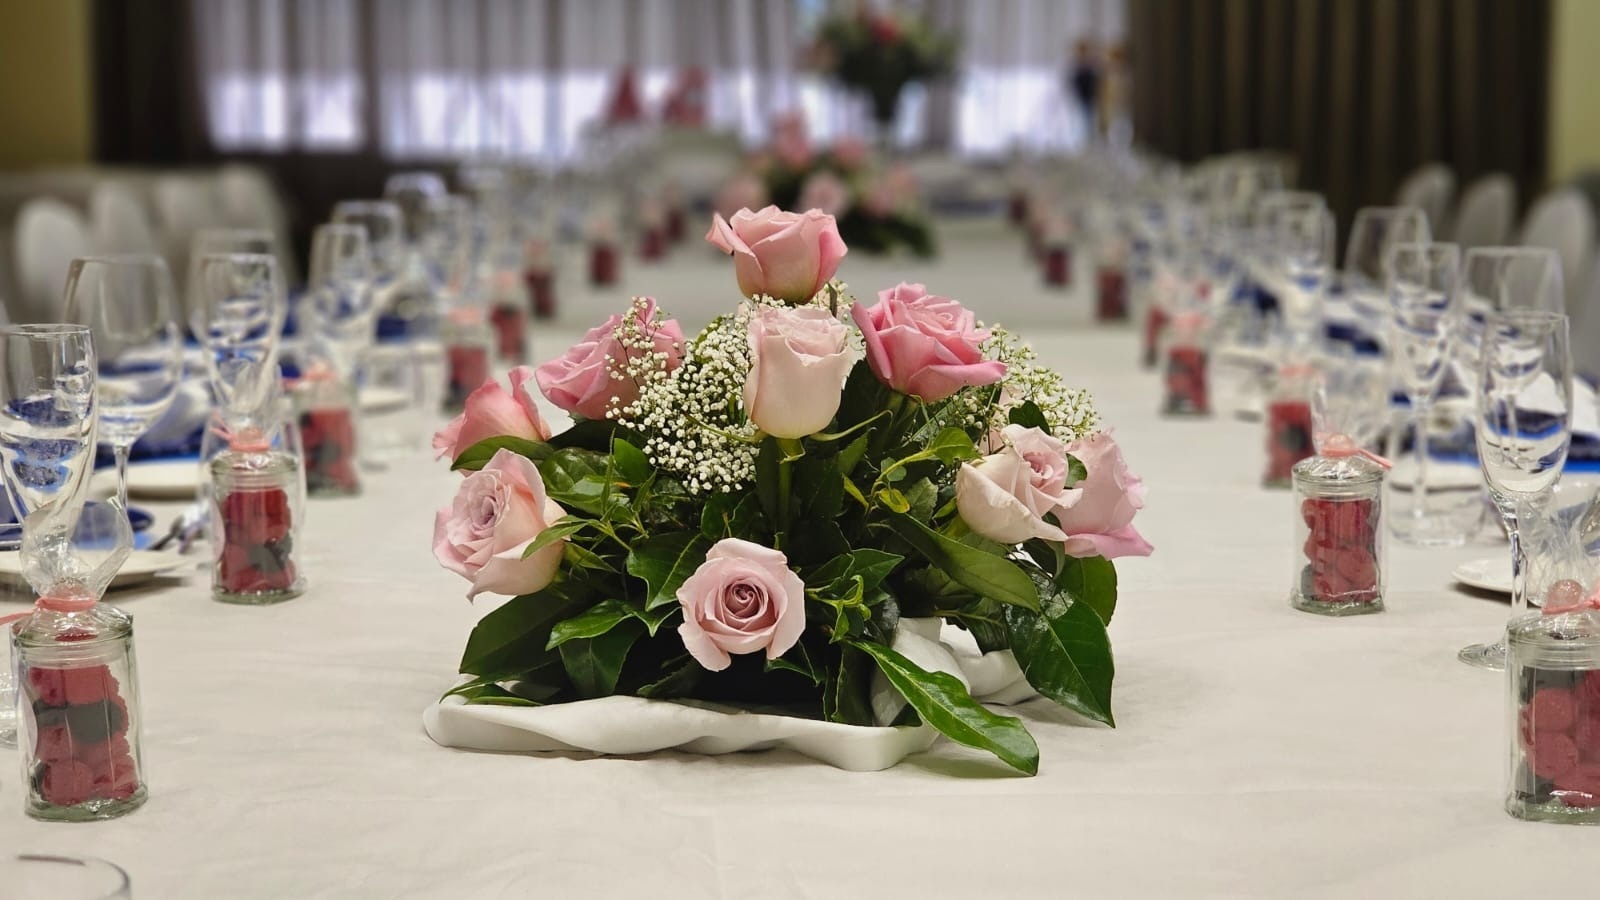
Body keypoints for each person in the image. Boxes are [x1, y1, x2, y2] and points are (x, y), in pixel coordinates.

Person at [1068, 40, 1100, 138]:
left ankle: (1088, 137)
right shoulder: (1075, 65)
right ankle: (1079, 137)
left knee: (1088, 118)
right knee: (1078, 118)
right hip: (1078, 96)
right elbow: (1072, 82)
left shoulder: (1091, 65)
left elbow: (1095, 82)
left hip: (1089, 96)